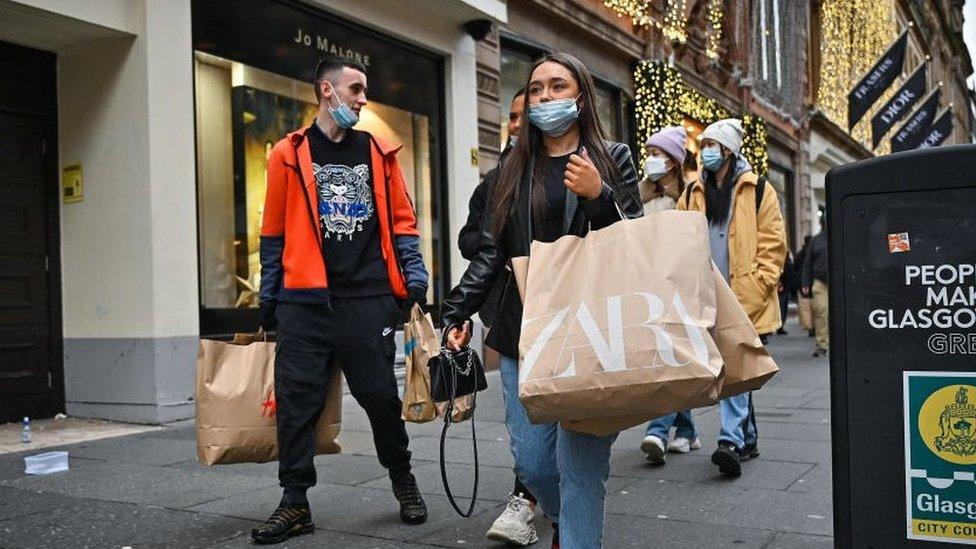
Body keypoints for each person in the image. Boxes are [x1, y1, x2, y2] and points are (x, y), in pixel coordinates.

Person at [442, 51, 642, 549]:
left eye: (558, 86)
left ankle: (575, 536)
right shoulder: (512, 168)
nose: (546, 97)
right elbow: (490, 251)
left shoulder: (612, 158)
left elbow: (635, 248)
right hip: (525, 333)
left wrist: (600, 197)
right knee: (533, 463)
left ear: (581, 95)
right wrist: (457, 311)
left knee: (581, 466)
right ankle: (565, 522)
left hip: (594, 333)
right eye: (536, 89)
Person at [252, 55, 430, 544]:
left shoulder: (378, 152)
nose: (363, 98)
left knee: (378, 399)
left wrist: (414, 282)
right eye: (355, 89)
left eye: (363, 90)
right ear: (326, 91)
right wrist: (270, 296)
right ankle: (295, 503)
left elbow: (402, 223)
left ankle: (403, 479)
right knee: (295, 406)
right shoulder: (288, 153)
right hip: (303, 304)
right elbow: (273, 233)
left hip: (368, 300)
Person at [675, 118, 787, 477]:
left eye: (711, 145)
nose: (705, 151)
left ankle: (729, 440)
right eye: (703, 145)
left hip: (743, 295)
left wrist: (761, 285)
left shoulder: (758, 189)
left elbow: (773, 244)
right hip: (704, 294)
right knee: (736, 369)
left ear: (728, 149)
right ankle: (747, 436)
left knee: (732, 367)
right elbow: (675, 237)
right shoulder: (693, 192)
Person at [457, 89, 540, 546]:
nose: (516, 123)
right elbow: (470, 240)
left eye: (525, 115)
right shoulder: (494, 180)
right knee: (521, 413)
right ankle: (525, 498)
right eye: (511, 116)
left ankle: (547, 493)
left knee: (558, 414)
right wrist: (498, 250)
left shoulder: (571, 171)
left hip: (564, 311)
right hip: (509, 311)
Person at [638, 126, 701, 465]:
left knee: (670, 357)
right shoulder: (641, 194)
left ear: (674, 161)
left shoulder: (691, 195)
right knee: (667, 357)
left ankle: (659, 430)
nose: (651, 160)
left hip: (679, 284)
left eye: (657, 154)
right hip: (648, 285)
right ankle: (687, 430)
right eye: (648, 153)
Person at [639, 125, 689, 215]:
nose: (649, 159)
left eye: (655, 154)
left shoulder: (689, 191)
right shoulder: (638, 190)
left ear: (673, 161)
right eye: (647, 155)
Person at [802, 211, 829, 357]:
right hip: (819, 282)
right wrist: (805, 283)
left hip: (838, 281)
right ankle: (822, 344)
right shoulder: (815, 241)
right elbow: (808, 263)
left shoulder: (839, 236)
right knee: (821, 312)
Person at [777, 250, 797, 335]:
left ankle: (780, 325)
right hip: (783, 287)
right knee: (782, 307)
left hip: (783, 287)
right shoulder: (786, 264)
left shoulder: (781, 263)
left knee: (782, 307)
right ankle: (780, 325)